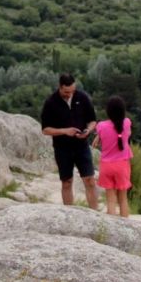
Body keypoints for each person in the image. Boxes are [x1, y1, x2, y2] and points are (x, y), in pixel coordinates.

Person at [40, 74, 98, 209]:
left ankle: (96, 214)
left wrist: (88, 131)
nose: (70, 94)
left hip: (82, 146)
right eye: (66, 92)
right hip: (62, 148)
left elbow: (93, 121)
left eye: (72, 91)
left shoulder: (82, 97)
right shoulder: (51, 102)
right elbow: (45, 130)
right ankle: (69, 212)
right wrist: (64, 131)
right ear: (60, 87)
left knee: (89, 180)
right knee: (66, 181)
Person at [96, 95, 133, 217]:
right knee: (123, 199)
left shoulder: (101, 126)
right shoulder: (127, 123)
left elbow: (101, 133)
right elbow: (126, 133)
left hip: (106, 166)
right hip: (122, 165)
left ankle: (112, 229)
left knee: (110, 200)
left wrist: (97, 137)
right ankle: (125, 227)